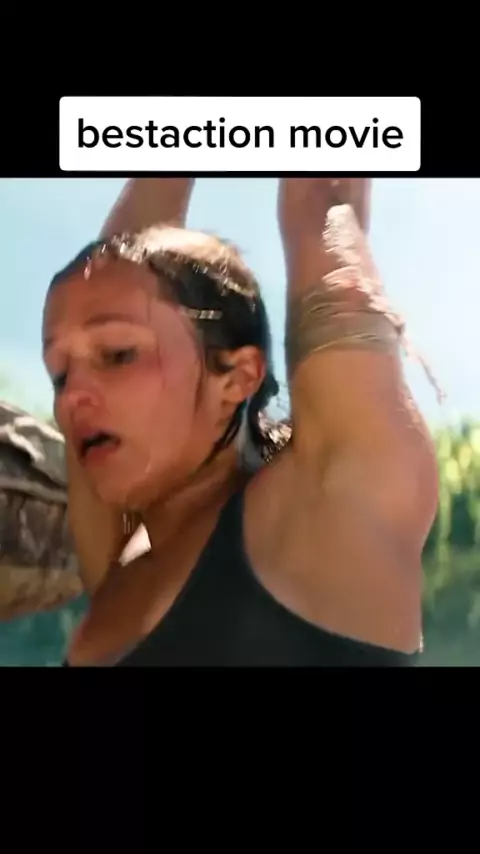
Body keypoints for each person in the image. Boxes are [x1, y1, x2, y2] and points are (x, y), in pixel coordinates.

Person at [41, 177, 438, 666]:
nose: (71, 397)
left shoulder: (328, 514)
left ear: (237, 376)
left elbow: (320, 205)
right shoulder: (122, 560)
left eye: (119, 354)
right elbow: (109, 273)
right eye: (60, 374)